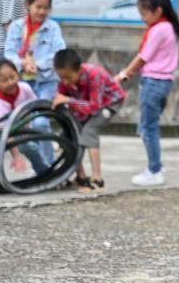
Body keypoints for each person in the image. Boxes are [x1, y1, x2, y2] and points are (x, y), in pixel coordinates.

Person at [115, 0, 179, 187]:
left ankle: (155, 169)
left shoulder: (159, 29)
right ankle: (155, 167)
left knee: (148, 129)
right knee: (148, 127)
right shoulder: (168, 28)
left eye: (144, 14)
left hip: (154, 82)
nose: (142, 18)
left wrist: (123, 75)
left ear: (158, 11)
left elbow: (143, 57)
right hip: (161, 83)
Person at [5, 0, 66, 164]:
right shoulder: (16, 27)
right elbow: (9, 53)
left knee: (40, 123)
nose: (42, 11)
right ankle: (39, 166)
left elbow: (59, 52)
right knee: (24, 126)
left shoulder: (53, 28)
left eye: (46, 8)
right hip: (24, 84)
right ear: (28, 5)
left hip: (47, 82)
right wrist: (23, 64)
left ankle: (47, 167)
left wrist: (37, 65)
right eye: (38, 7)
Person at [52, 48, 126, 193]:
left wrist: (68, 100)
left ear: (78, 70)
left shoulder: (94, 75)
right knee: (73, 133)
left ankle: (98, 179)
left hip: (108, 103)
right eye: (62, 78)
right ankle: (81, 177)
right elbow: (63, 96)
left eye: (68, 77)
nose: (65, 81)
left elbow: (94, 106)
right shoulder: (65, 80)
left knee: (89, 132)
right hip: (85, 104)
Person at [0, 58, 50, 176]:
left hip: (22, 127)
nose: (10, 82)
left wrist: (28, 126)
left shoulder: (25, 88)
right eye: (4, 80)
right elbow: (5, 134)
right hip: (0, 133)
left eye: (12, 77)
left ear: (18, 75)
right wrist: (17, 156)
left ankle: (45, 173)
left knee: (29, 147)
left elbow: (35, 105)